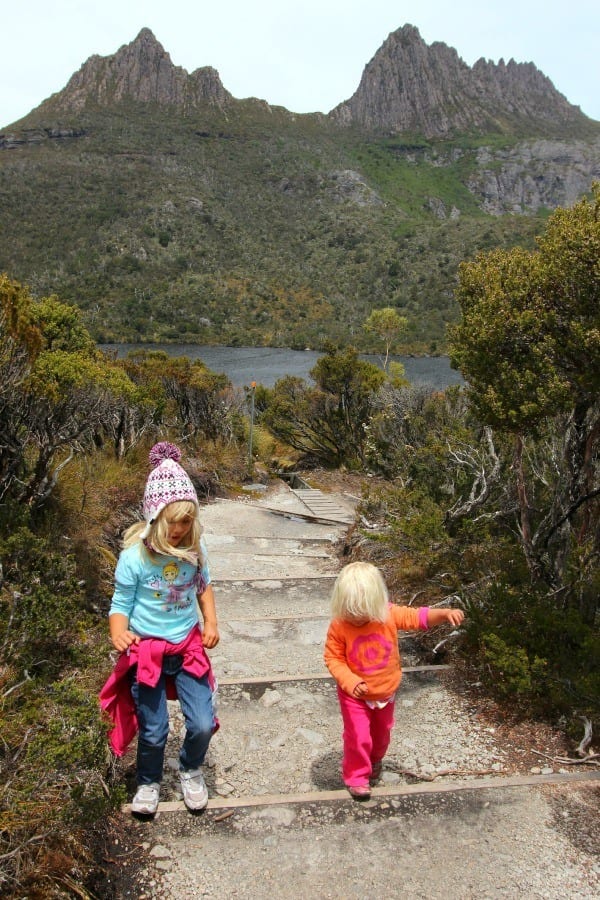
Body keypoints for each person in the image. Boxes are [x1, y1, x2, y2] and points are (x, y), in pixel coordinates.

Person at [99, 442, 220, 816]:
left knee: (201, 722)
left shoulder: (195, 553)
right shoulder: (134, 557)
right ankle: (148, 780)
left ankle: (190, 768)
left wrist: (211, 621)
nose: (182, 529)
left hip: (187, 648)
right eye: (174, 522)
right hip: (148, 651)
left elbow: (204, 588)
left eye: (188, 520)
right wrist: (117, 630)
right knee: (153, 729)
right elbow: (120, 604)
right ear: (155, 518)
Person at [324, 561, 464, 800]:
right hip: (354, 696)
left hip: (385, 692)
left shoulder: (387, 615)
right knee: (358, 735)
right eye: (350, 611)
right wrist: (349, 680)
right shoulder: (340, 625)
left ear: (376, 603)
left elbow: (417, 617)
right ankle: (356, 775)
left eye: (362, 612)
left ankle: (375, 759)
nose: (356, 618)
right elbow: (333, 657)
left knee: (381, 735)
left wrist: (444, 614)